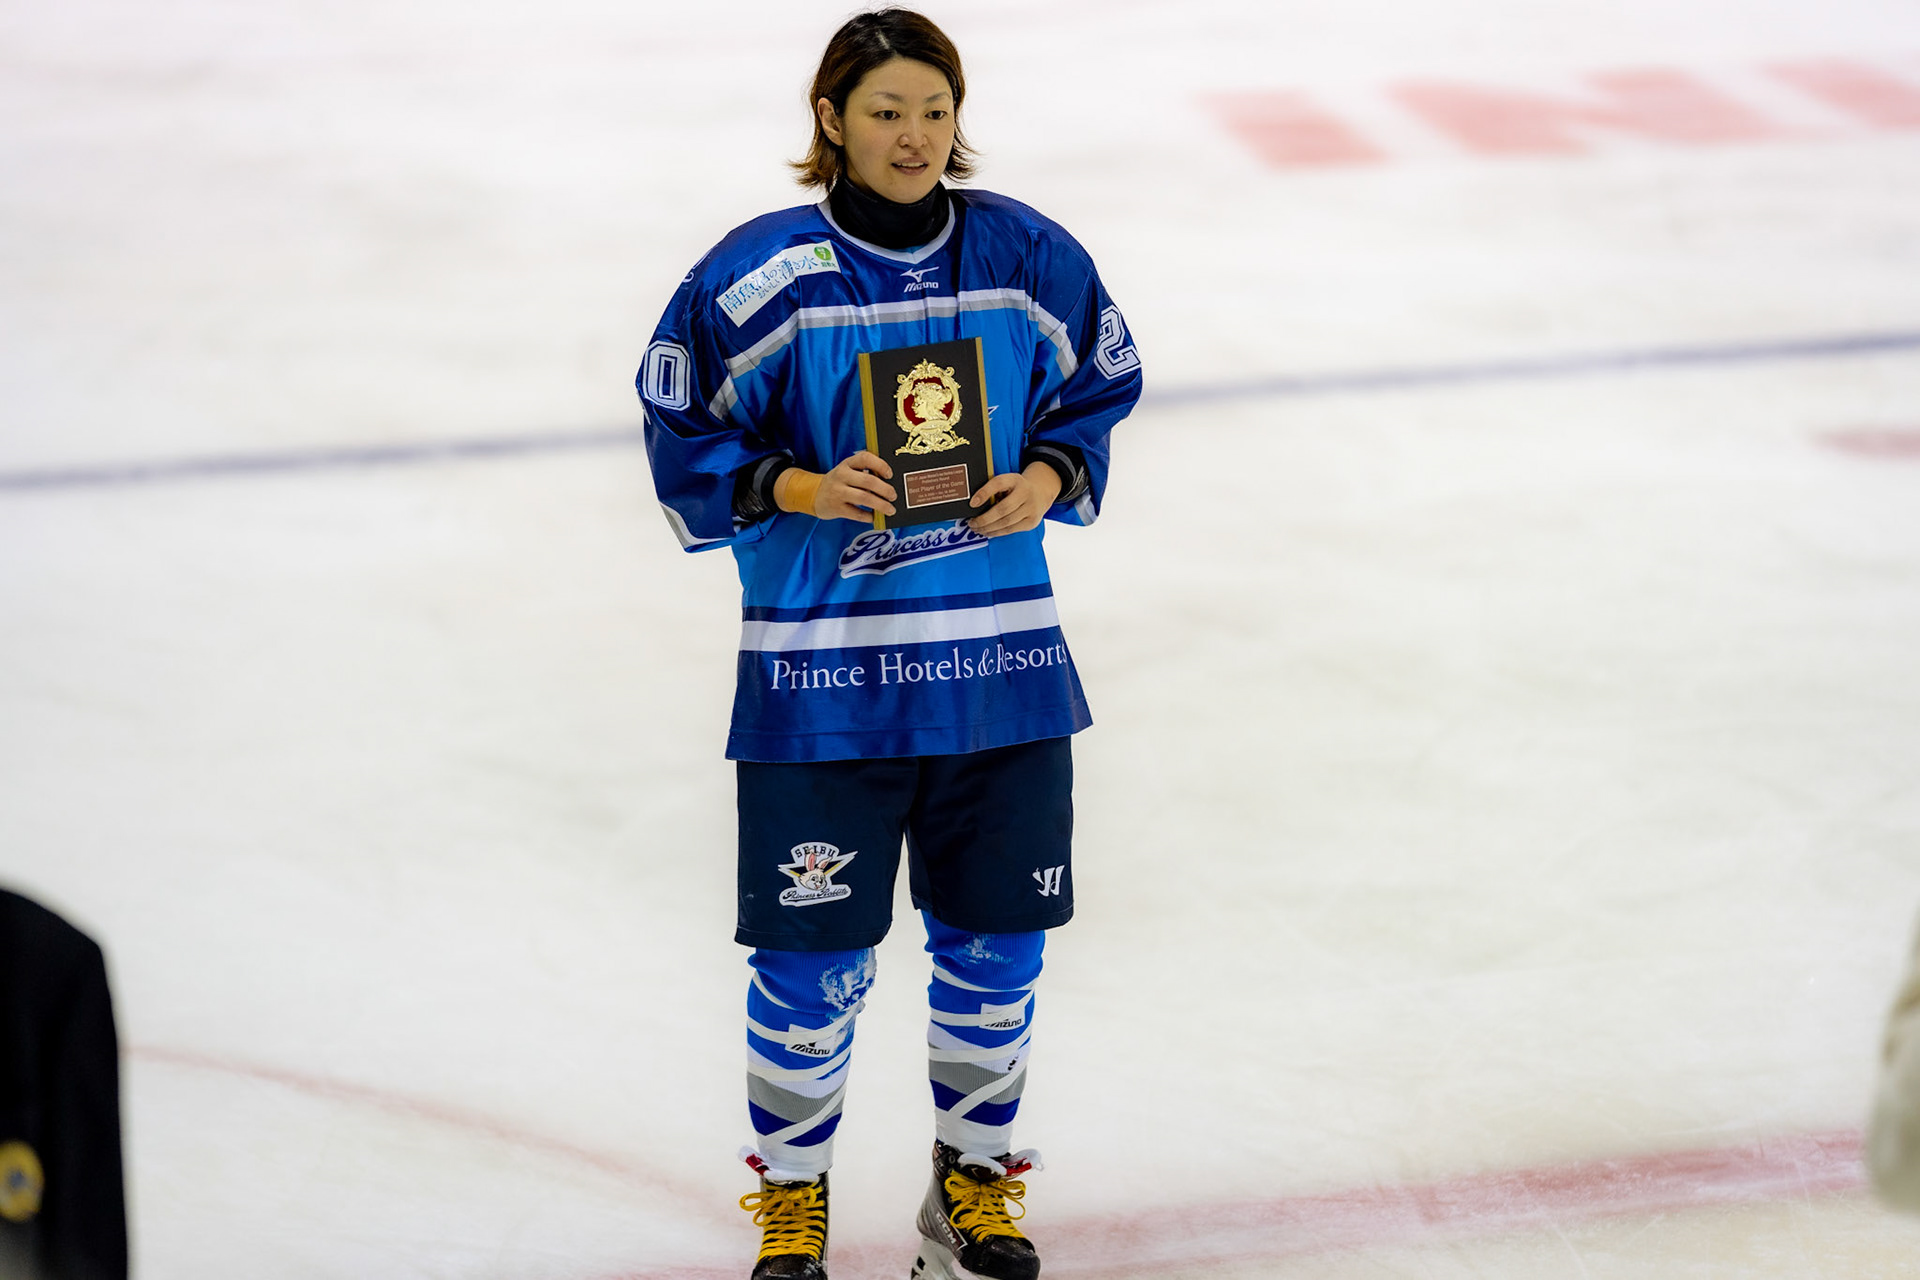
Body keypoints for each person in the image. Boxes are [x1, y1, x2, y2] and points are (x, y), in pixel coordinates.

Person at [637, 10, 1141, 1278]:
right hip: (823, 689)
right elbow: (679, 425)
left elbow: (1099, 383)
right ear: (830, 120)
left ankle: (970, 1191)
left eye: (933, 111)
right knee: (807, 968)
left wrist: (1050, 469)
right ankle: (792, 1200)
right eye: (884, 112)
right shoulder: (761, 277)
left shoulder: (1026, 254)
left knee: (997, 951)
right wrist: (797, 486)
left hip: (999, 673)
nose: (914, 137)